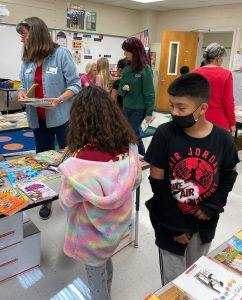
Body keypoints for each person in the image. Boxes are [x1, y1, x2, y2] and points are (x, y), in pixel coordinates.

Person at [144, 73, 239, 286]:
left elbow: (229, 174)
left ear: (202, 108)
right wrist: (174, 226)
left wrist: (212, 206)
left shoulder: (223, 139)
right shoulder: (165, 134)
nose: (174, 112)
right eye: (171, 105)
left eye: (181, 107)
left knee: (198, 276)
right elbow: (157, 182)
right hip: (170, 223)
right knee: (173, 281)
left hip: (203, 221)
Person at [58, 86, 142, 300]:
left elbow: (66, 201)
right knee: (105, 261)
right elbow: (136, 180)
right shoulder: (127, 148)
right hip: (115, 226)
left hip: (90, 233)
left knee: (94, 277)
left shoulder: (79, 160)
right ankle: (108, 290)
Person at [16, 17, 81, 220]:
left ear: (35, 34)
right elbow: (22, 84)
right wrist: (20, 92)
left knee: (69, 158)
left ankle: (74, 195)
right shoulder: (27, 59)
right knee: (42, 160)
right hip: (38, 118)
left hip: (62, 117)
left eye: (23, 36)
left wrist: (59, 99)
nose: (21, 40)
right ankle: (47, 200)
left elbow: (75, 85)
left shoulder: (61, 55)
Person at [118, 37, 155, 156]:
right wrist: (123, 89)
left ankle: (132, 157)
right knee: (135, 134)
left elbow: (149, 92)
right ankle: (142, 156)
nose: (125, 54)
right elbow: (120, 91)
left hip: (139, 110)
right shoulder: (127, 70)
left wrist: (149, 112)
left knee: (129, 134)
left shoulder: (146, 70)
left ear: (135, 51)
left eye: (127, 51)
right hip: (126, 107)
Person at [192, 43, 236, 133]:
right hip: (219, 120)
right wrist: (232, 123)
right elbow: (228, 101)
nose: (222, 60)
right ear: (218, 57)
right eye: (222, 57)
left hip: (198, 117)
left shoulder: (194, 73)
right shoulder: (226, 74)